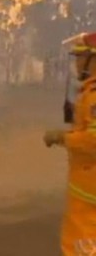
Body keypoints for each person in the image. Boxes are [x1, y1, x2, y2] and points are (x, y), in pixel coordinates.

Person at [44, 32, 96, 255]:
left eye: (80, 57)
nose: (76, 63)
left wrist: (62, 137)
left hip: (90, 189)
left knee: (81, 245)